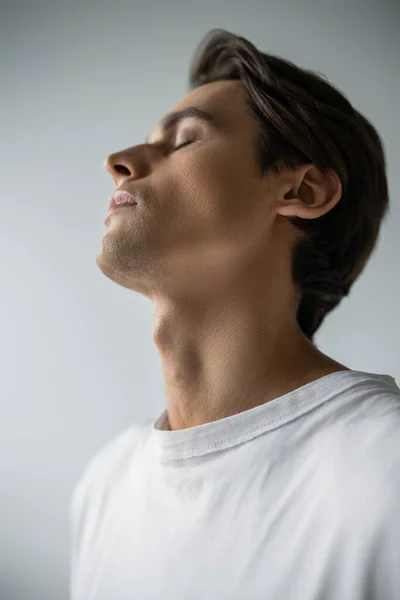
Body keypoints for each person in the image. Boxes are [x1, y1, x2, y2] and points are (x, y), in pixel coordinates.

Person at [70, 28, 399, 600]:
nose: (118, 162)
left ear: (302, 190)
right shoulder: (104, 486)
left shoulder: (384, 466)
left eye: (184, 141)